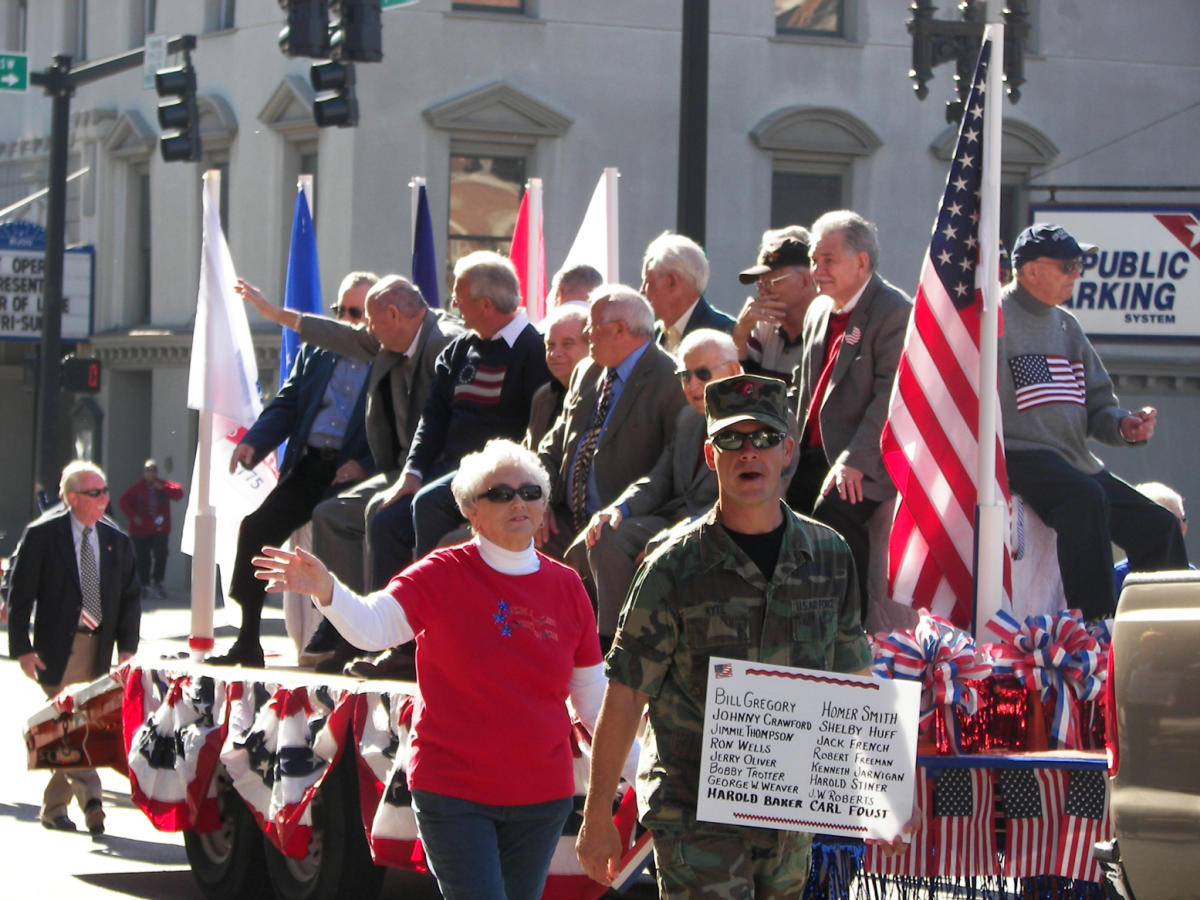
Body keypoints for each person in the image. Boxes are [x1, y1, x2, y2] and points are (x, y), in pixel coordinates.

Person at [250, 439, 605, 900]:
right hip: (455, 793)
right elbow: (374, 627)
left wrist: (638, 770)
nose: (519, 502)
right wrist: (328, 590)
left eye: (531, 492)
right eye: (501, 494)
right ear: (472, 511)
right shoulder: (441, 573)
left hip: (542, 798)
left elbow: (593, 699)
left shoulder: (567, 585)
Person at [575, 375, 873, 897]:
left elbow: (853, 676)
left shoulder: (829, 555)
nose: (748, 452)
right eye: (732, 439)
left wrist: (881, 792)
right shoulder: (672, 566)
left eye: (764, 438)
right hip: (695, 815)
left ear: (787, 451)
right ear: (711, 455)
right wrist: (597, 813)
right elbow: (624, 696)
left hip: (788, 807)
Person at [1001, 223, 1188, 619]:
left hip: (1073, 460)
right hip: (1017, 454)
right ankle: (1095, 628)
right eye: (1067, 265)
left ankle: (1161, 631)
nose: (1076, 273)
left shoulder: (1068, 326)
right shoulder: (993, 319)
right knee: (1085, 498)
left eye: (1079, 264)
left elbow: (1099, 406)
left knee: (1160, 526)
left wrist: (1123, 426)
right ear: (1030, 270)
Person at [209, 274, 375, 666]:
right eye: (340, 311)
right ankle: (247, 640)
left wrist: (365, 465)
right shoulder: (317, 350)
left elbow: (405, 427)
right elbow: (288, 401)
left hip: (357, 473)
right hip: (310, 465)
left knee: (332, 525)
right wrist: (255, 441)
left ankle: (341, 637)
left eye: (355, 313)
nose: (346, 320)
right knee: (256, 529)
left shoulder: (390, 358)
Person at [369, 251, 552, 583]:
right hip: (446, 469)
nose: (454, 304)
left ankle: (433, 603)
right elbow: (433, 417)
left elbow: (538, 428)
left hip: (497, 477)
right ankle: (392, 613)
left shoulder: (534, 350)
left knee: (428, 504)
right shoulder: (459, 350)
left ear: (486, 305)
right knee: (384, 518)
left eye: (460, 296)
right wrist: (412, 472)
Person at [574, 328, 741, 648]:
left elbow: (746, 502)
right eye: (685, 376)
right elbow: (658, 481)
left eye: (702, 374)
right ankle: (613, 644)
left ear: (733, 370)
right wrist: (618, 509)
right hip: (673, 518)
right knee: (602, 533)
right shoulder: (688, 419)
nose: (692, 385)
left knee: (663, 549)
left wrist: (681, 534)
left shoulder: (759, 422)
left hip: (722, 531)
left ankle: (645, 646)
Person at [7, 461, 141, 836]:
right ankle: (92, 798)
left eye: (105, 491)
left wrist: (127, 649)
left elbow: (130, 597)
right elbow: (20, 595)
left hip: (98, 646)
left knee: (73, 725)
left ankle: (53, 809)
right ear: (71, 498)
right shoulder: (42, 535)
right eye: (94, 493)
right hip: (56, 647)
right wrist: (22, 648)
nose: (104, 499)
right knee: (71, 722)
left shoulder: (116, 539)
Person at [788, 210, 910, 619]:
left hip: (864, 457)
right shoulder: (818, 311)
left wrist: (854, 459)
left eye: (828, 260)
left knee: (833, 514)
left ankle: (851, 630)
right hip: (809, 454)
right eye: (814, 260)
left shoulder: (893, 311)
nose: (817, 270)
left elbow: (889, 397)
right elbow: (801, 388)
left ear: (861, 261)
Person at [537, 285, 685, 559]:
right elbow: (553, 445)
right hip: (564, 518)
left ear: (619, 329)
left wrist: (624, 511)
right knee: (507, 532)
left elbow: (671, 473)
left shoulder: (672, 379)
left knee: (594, 547)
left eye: (592, 325)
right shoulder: (586, 370)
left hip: (620, 521)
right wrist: (536, 496)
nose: (586, 333)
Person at [732, 226, 817, 385]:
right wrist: (740, 334)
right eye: (759, 283)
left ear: (805, 281)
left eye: (770, 282)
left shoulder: (829, 329)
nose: (762, 292)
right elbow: (742, 389)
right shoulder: (764, 326)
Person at [640, 231, 734, 353]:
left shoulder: (724, 335)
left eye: (648, 282)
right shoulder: (650, 335)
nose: (642, 291)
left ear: (672, 282)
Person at [525, 303, 590, 451]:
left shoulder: (602, 396)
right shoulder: (543, 397)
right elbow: (530, 450)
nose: (555, 354)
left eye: (567, 344)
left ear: (591, 345)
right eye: (550, 345)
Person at [117, 458, 183, 600]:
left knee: (161, 555)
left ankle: (157, 582)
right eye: (148, 471)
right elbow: (123, 501)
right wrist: (134, 516)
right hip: (141, 530)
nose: (151, 474)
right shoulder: (137, 488)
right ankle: (143, 584)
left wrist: (163, 488)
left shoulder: (163, 485)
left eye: (153, 471)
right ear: (144, 473)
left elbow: (178, 493)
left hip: (159, 529)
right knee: (143, 558)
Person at [1114, 482, 1190, 594]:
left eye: (1183, 520)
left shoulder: (1191, 575)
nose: (1182, 528)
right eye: (1172, 522)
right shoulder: (1118, 578)